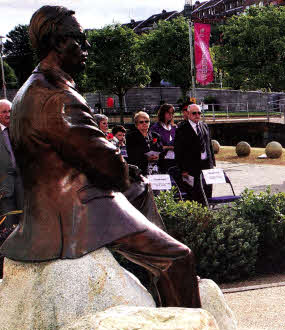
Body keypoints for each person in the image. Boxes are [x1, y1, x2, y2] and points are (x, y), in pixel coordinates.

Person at [0, 5, 200, 308]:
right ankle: (185, 328)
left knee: (140, 187)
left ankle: (158, 292)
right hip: (75, 213)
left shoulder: (28, 90)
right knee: (178, 258)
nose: (87, 47)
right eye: (79, 40)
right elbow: (108, 169)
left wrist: (125, 172)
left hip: (50, 205)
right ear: (57, 43)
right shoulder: (58, 97)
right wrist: (122, 169)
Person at [0, 99, 24, 279]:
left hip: (23, 188)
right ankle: (6, 270)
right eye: (3, 112)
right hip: (4, 190)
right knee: (7, 229)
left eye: (10, 111)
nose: (8, 115)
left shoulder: (19, 131)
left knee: (24, 224)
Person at [174, 103, 215, 205]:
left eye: (199, 113)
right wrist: (183, 169)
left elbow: (209, 145)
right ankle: (197, 217)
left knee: (207, 191)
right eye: (194, 113)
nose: (197, 115)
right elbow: (179, 150)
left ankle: (207, 214)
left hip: (206, 165)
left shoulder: (204, 126)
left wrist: (212, 163)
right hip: (191, 168)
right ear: (188, 114)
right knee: (195, 195)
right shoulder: (182, 128)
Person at [126, 111, 163, 176]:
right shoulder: (131, 137)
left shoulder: (156, 135)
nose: (144, 123)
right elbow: (132, 155)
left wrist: (158, 156)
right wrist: (147, 158)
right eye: (141, 122)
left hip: (156, 169)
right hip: (140, 171)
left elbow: (161, 150)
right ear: (136, 124)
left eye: (147, 121)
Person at [150, 104, 177, 173]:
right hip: (162, 161)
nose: (170, 115)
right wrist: (169, 147)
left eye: (172, 113)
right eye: (168, 113)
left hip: (176, 160)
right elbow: (154, 146)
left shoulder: (174, 127)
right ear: (162, 113)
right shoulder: (155, 128)